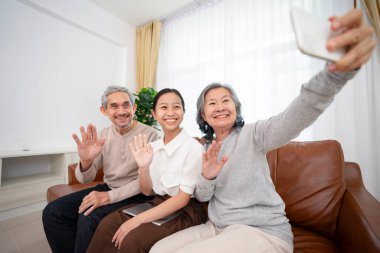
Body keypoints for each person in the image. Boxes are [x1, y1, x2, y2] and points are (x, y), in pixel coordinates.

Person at [150, 9, 376, 253]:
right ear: (203, 115)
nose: (220, 107)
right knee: (157, 250)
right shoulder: (205, 148)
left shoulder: (255, 134)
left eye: (226, 100)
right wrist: (208, 177)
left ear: (236, 108)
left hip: (261, 231)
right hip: (217, 227)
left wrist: (334, 76)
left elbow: (296, 116)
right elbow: (203, 197)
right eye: (211, 103)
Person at [87, 88, 208, 253]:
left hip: (185, 211)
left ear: (183, 111)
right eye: (164, 107)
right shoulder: (152, 147)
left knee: (132, 240)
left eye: (177, 107)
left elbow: (182, 199)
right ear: (154, 114)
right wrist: (143, 167)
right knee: (107, 225)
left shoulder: (193, 148)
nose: (170, 112)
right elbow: (146, 190)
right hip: (157, 202)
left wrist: (138, 220)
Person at [42, 85, 159, 253]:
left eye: (126, 105)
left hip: (137, 194)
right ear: (104, 110)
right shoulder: (104, 134)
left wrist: (108, 197)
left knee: (87, 218)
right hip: (109, 187)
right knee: (53, 212)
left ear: (134, 108)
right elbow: (85, 179)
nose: (121, 111)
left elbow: (147, 182)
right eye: (114, 106)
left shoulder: (151, 135)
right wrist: (86, 160)